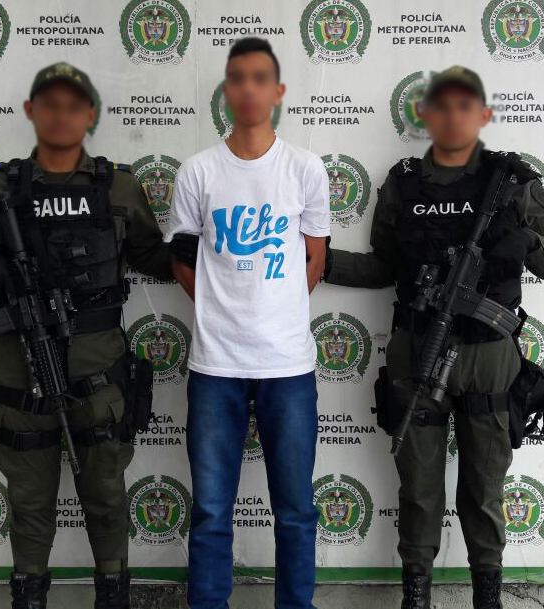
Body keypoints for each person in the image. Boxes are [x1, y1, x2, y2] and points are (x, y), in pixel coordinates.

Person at [0, 62, 172, 609]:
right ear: (32, 112)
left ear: (89, 114)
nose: (61, 116)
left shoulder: (119, 187)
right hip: (19, 369)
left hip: (100, 375)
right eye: (50, 105)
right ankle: (28, 595)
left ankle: (113, 595)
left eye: (73, 105)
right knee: (29, 499)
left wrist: (200, 252)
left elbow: (150, 256)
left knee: (106, 496)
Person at [323, 66, 544, 609]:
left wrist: (527, 242)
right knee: (418, 486)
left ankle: (488, 595)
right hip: (418, 349)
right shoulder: (403, 183)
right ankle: (416, 597)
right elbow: (384, 265)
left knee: (484, 488)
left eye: (465, 107)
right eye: (442, 107)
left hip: (489, 354)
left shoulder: (513, 181)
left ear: (481, 115)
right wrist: (320, 260)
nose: (453, 117)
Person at [165, 37, 330, 609]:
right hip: (216, 366)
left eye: (260, 78)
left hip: (288, 366)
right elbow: (181, 259)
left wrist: (275, 308)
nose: (248, 89)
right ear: (226, 90)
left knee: (296, 510)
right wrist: (223, 306)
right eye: (237, 77)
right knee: (211, 511)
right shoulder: (198, 171)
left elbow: (315, 259)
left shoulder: (305, 169)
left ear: (277, 91)